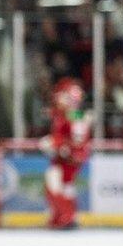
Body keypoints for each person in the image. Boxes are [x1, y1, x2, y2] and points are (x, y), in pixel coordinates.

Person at [37, 78, 92, 229]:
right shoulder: (65, 113)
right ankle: (64, 216)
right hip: (64, 157)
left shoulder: (74, 115)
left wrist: (55, 143)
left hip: (69, 158)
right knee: (63, 186)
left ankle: (66, 216)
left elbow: (76, 140)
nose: (57, 98)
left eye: (61, 95)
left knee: (58, 184)